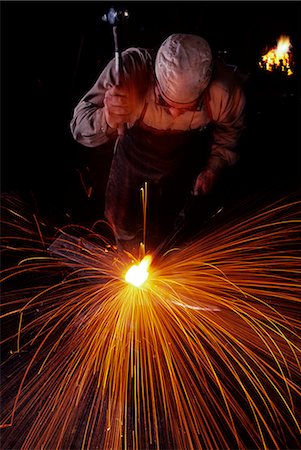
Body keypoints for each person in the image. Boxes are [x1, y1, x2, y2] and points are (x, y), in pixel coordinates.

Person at [70, 33, 246, 255]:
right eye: (165, 101)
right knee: (121, 224)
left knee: (165, 233)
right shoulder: (129, 73)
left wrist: (213, 167)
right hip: (131, 159)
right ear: (155, 79)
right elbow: (78, 127)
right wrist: (107, 117)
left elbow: (229, 134)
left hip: (180, 166)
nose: (173, 113)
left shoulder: (225, 92)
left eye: (186, 108)